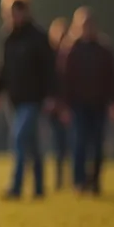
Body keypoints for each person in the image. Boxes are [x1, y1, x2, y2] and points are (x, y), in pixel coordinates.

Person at [0, 0, 56, 200]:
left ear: (26, 12)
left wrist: (51, 95)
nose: (15, 17)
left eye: (19, 12)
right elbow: (3, 67)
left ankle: (16, 186)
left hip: (33, 99)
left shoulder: (38, 36)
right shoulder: (8, 38)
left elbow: (49, 68)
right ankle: (38, 188)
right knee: (31, 143)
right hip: (14, 99)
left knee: (18, 139)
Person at [58, 7, 114, 195]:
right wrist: (63, 106)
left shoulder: (104, 50)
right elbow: (64, 80)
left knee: (98, 144)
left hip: (99, 104)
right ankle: (79, 181)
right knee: (79, 143)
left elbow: (113, 78)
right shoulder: (71, 50)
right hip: (78, 105)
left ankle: (94, 181)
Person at [46, 17, 71, 189]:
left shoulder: (72, 57)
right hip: (54, 110)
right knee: (58, 145)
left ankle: (72, 179)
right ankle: (59, 179)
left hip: (69, 108)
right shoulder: (50, 58)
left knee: (69, 145)